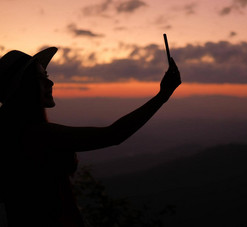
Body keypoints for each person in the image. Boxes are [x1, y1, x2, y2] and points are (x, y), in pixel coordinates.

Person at [0, 47, 181, 226]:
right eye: (42, 78)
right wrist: (163, 95)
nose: (51, 83)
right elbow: (113, 135)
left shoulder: (13, 132)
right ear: (25, 88)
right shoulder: (37, 134)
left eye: (47, 77)